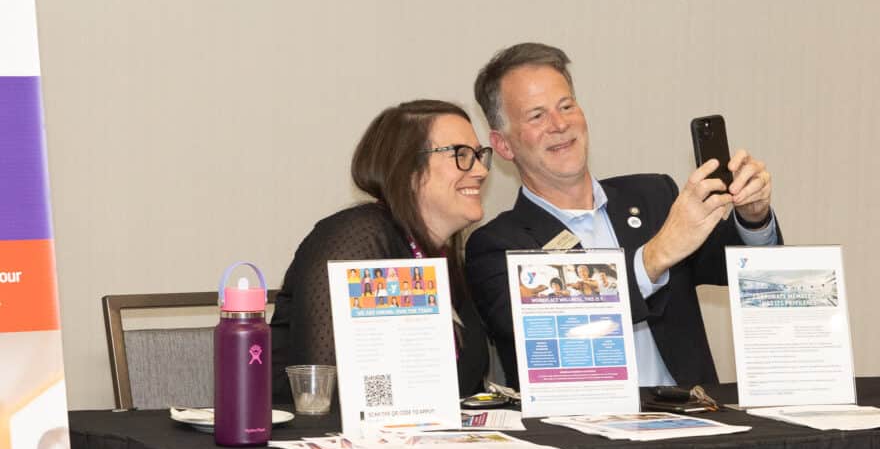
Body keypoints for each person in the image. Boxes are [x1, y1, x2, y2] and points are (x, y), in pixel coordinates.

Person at [466, 43, 782, 389]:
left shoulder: (654, 197)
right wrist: (653, 258)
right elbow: (553, 329)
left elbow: (747, 276)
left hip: (696, 424)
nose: (559, 124)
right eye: (537, 116)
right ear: (504, 145)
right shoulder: (497, 246)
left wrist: (753, 218)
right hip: (585, 436)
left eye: (567, 106)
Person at [271, 99, 493, 401]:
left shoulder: (443, 257)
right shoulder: (355, 236)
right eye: (462, 155)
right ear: (408, 168)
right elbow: (326, 390)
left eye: (479, 155)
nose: (480, 170)